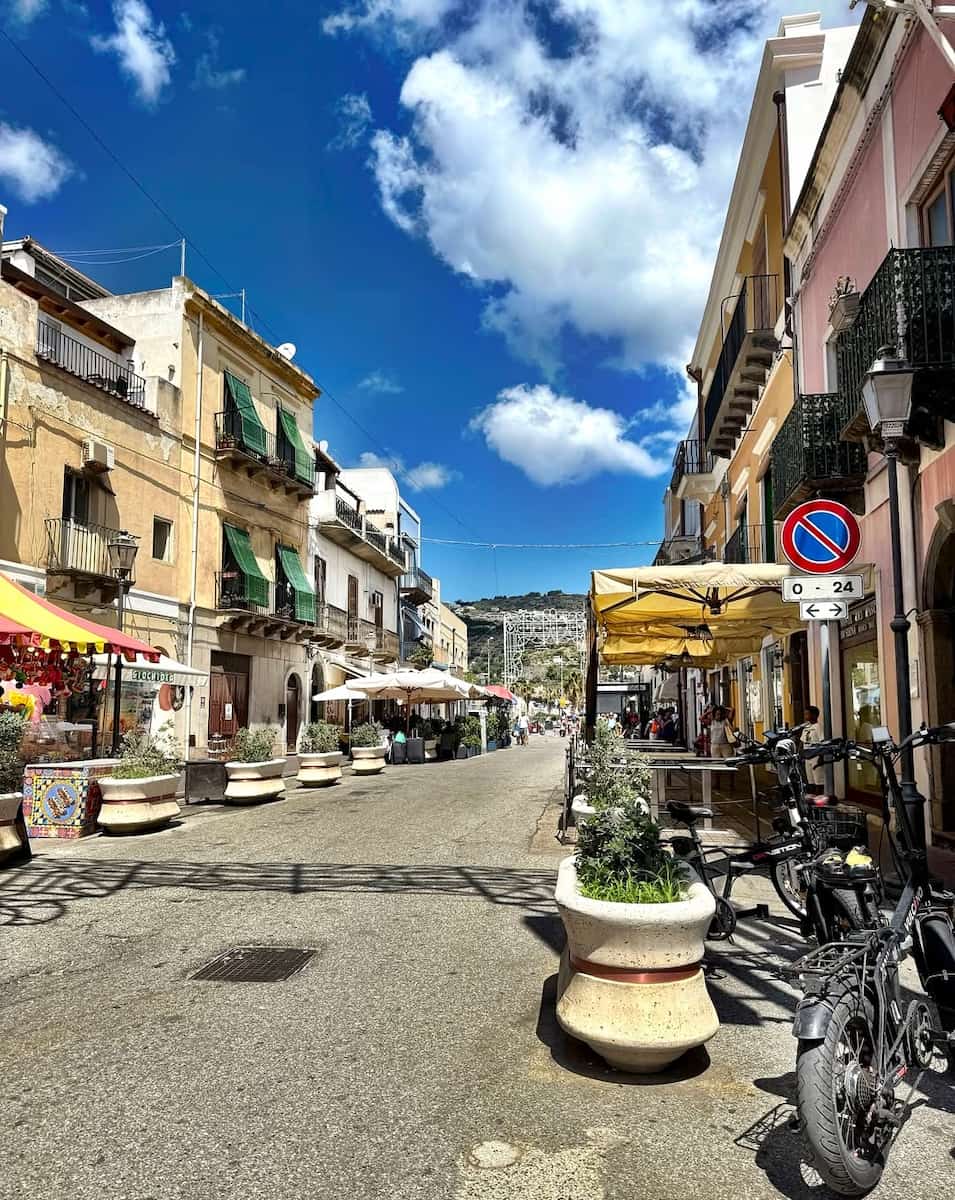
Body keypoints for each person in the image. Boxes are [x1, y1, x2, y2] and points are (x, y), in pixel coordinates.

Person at [802, 704, 824, 789]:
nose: (806, 716)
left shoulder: (818, 727)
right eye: (805, 714)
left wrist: (821, 756)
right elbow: (803, 741)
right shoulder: (806, 727)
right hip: (807, 757)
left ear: (814, 715)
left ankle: (819, 799)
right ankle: (812, 797)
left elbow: (822, 742)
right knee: (810, 781)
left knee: (818, 780)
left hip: (816, 756)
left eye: (807, 714)